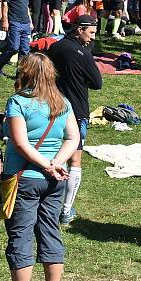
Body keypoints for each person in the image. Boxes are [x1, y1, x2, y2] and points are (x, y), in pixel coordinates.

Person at [0, 54, 79, 281]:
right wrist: (57, 163)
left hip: (24, 178)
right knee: (50, 230)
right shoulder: (62, 103)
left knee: (21, 234)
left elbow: (20, 143)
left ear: (25, 73)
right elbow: (73, 138)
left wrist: (44, 164)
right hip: (55, 180)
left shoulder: (18, 102)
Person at [47, 15, 102, 225]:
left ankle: (49, 202)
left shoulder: (55, 47)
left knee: (52, 155)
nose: (92, 38)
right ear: (80, 30)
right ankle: (66, 210)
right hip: (77, 110)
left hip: (52, 108)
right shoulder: (83, 54)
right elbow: (97, 83)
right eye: (91, 33)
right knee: (74, 161)